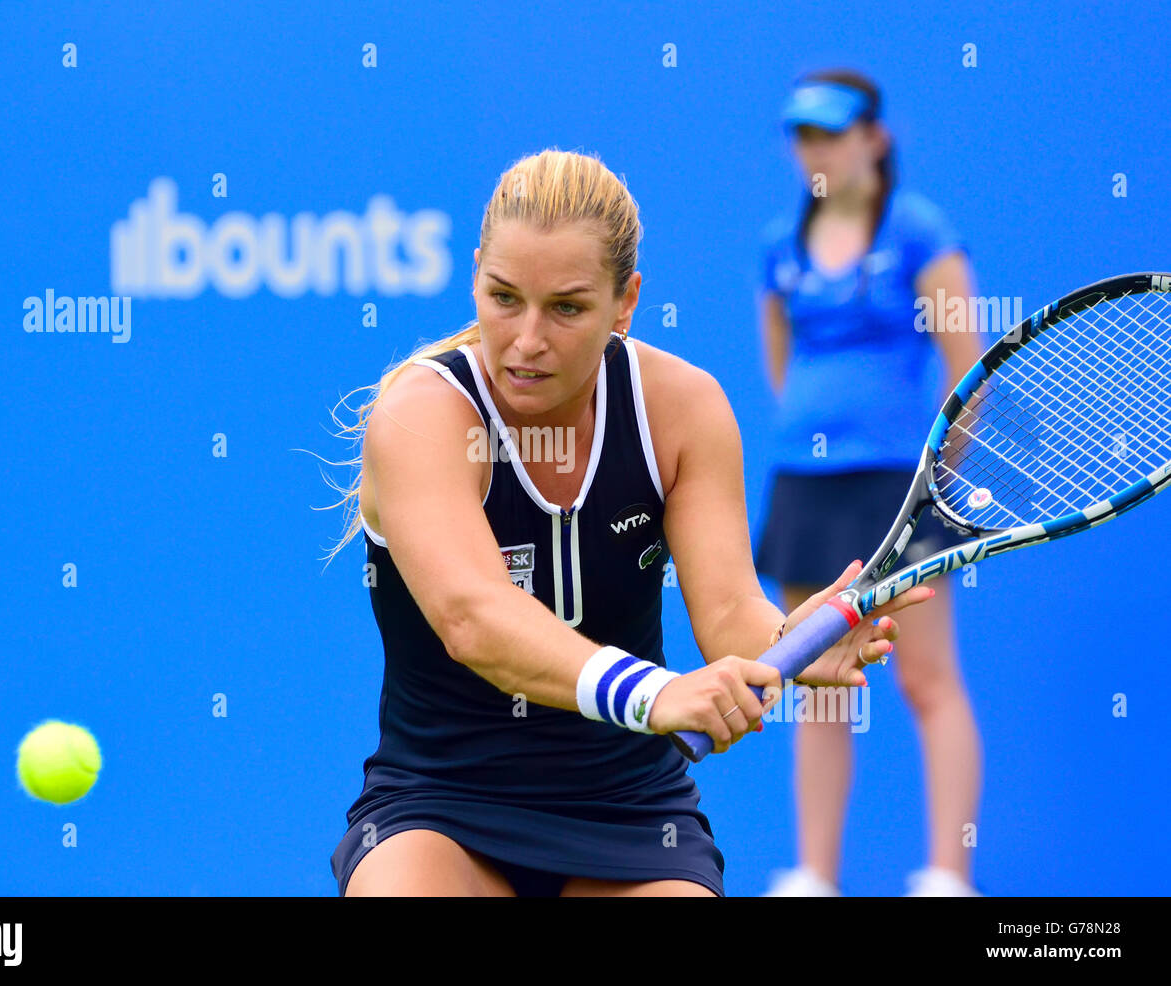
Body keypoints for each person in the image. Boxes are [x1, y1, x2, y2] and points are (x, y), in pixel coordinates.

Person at [328, 148, 932, 897]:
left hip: (631, 809)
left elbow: (729, 618)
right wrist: (653, 695)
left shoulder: (682, 409)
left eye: (568, 307)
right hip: (439, 806)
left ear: (626, 301)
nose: (526, 339)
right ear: (477, 270)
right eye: (504, 296)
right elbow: (472, 617)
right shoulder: (421, 417)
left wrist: (792, 642)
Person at [754, 71, 986, 896]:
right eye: (803, 134)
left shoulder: (921, 233)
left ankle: (946, 877)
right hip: (807, 488)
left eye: (832, 132)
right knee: (818, 684)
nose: (815, 149)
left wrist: (931, 486)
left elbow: (970, 373)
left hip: (898, 485)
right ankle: (815, 875)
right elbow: (783, 366)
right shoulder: (780, 243)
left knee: (926, 678)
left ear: (874, 139)